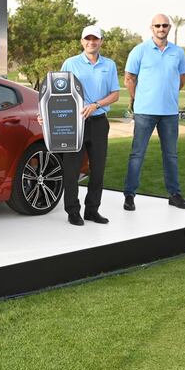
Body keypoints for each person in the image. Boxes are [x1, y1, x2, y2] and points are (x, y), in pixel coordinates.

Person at [123, 14, 185, 211]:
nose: (161, 28)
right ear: (151, 28)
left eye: (164, 25)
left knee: (171, 155)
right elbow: (129, 78)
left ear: (169, 28)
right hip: (145, 112)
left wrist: (168, 93)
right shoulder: (140, 50)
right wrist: (140, 99)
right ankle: (129, 195)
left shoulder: (177, 52)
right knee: (137, 154)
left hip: (169, 113)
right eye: (158, 25)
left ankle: (175, 195)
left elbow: (182, 77)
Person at [54, 25, 120, 226]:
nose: (91, 42)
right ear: (82, 41)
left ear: (101, 41)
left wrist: (96, 105)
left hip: (99, 122)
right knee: (72, 169)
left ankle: (92, 210)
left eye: (95, 39)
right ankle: (73, 211)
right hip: (75, 124)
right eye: (87, 38)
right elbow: (58, 94)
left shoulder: (109, 65)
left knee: (98, 169)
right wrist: (48, 116)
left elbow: (115, 94)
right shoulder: (70, 63)